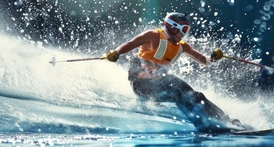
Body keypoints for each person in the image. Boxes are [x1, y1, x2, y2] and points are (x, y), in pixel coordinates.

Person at [103, 12, 243, 132]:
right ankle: (203, 124)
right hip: (142, 85)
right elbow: (131, 43)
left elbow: (203, 60)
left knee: (196, 95)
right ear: (172, 26)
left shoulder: (182, 46)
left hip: (162, 81)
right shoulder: (154, 36)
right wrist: (116, 52)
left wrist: (213, 58)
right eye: (183, 29)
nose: (184, 33)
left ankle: (227, 121)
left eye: (186, 30)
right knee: (178, 93)